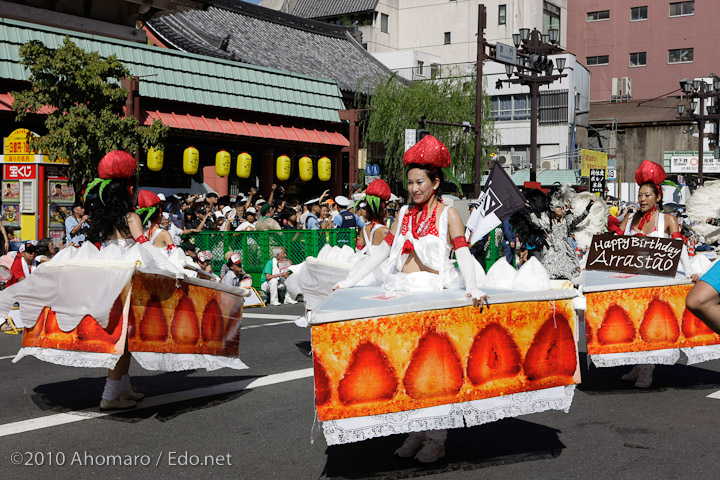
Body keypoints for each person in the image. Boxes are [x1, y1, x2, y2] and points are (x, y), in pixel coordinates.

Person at [334, 135, 487, 463]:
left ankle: (437, 438)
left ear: (436, 181)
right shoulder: (403, 214)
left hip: (431, 298)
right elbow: (382, 251)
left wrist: (473, 287)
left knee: (431, 370)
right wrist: (351, 280)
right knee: (405, 368)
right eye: (411, 183)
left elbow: (463, 254)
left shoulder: (449, 215)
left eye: (420, 182)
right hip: (400, 292)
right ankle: (416, 430)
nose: (414, 188)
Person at [618, 159, 692, 388]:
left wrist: (690, 274)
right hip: (632, 282)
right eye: (640, 195)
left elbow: (680, 252)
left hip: (658, 283)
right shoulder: (630, 219)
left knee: (650, 327)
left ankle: (647, 370)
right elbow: (614, 247)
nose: (642, 199)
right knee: (633, 325)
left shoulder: (668, 220)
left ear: (658, 197)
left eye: (647, 195)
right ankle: (638, 366)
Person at [84, 151, 149, 410]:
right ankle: (109, 396)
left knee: (125, 336)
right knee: (124, 339)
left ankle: (123, 388)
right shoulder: (131, 218)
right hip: (127, 278)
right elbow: (143, 249)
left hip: (106, 277)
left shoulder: (101, 219)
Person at [530, 184, 592, 282]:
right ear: (552, 208)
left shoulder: (567, 220)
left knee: (569, 273)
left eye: (562, 207)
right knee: (551, 273)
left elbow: (578, 219)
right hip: (553, 250)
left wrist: (587, 209)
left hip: (566, 249)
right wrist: (531, 212)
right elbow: (539, 223)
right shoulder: (549, 221)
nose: (560, 209)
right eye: (558, 207)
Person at [353, 179, 389, 254]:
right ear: (384, 210)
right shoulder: (385, 231)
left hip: (367, 263)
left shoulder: (364, 229)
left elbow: (359, 250)